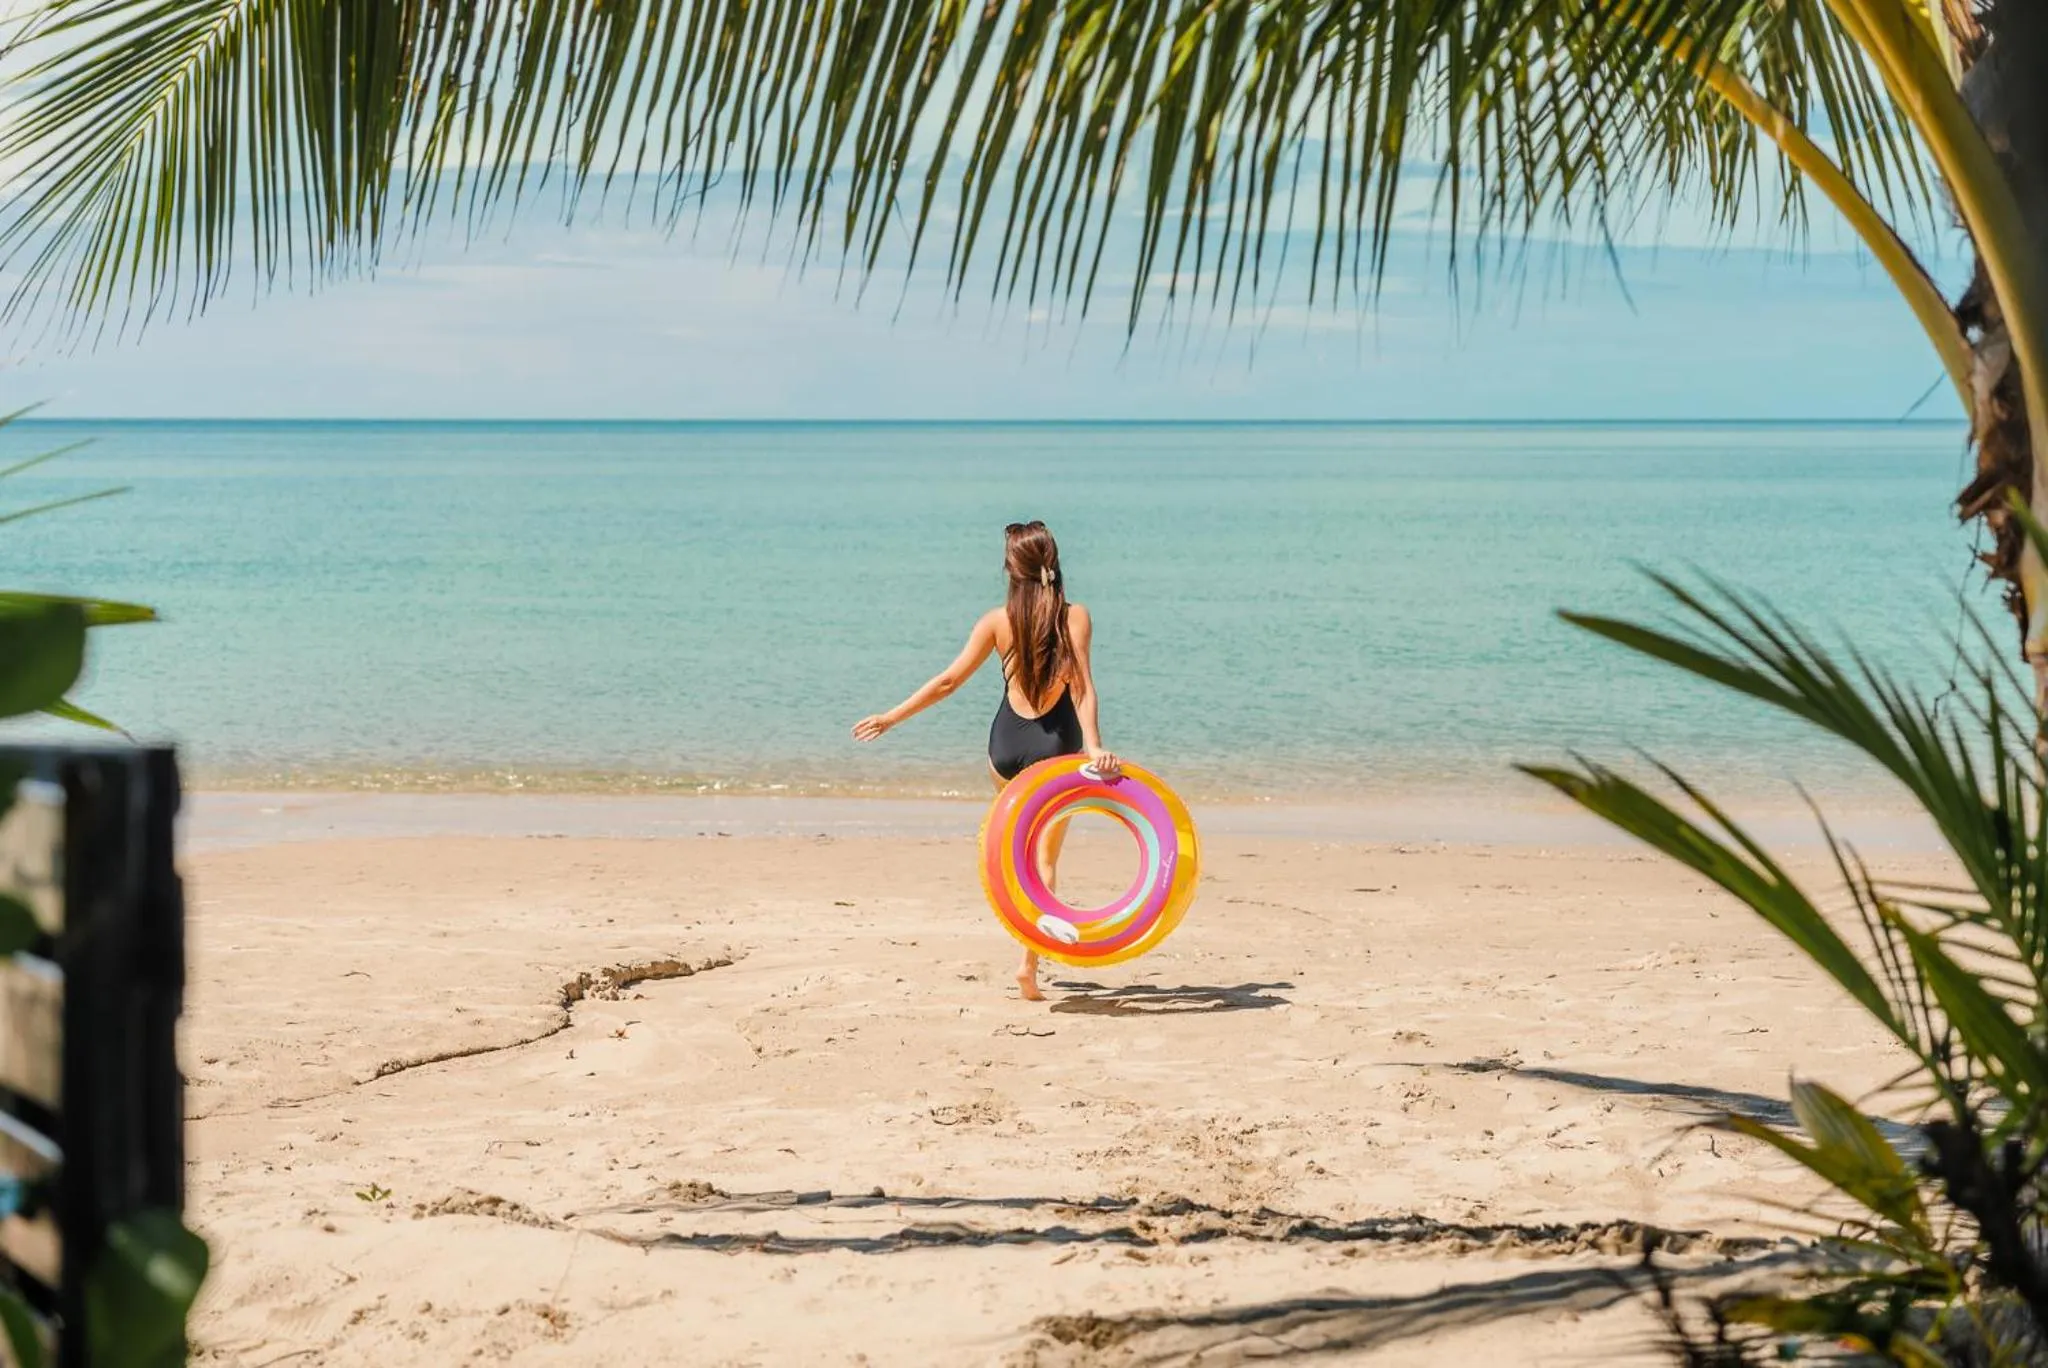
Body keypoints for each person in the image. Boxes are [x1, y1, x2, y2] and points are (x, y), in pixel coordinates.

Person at [853, 520, 1120, 1001]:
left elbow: (948, 682)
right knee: (1045, 860)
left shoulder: (997, 621)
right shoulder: (1075, 616)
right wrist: (1095, 745)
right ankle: (1027, 964)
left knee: (1017, 853)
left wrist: (891, 718)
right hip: (1056, 749)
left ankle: (1024, 946)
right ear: (1054, 564)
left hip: (1005, 750)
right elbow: (1082, 688)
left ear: (1010, 570)